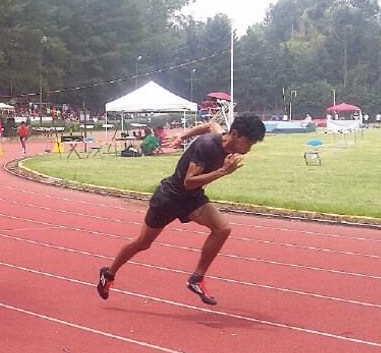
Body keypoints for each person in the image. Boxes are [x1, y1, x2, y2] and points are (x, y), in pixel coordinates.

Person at [96, 114, 267, 306]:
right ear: (235, 134)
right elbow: (188, 182)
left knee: (223, 228)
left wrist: (182, 136)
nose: (249, 148)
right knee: (142, 243)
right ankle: (108, 273)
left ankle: (197, 278)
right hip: (169, 198)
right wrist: (222, 172)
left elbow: (211, 124)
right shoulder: (207, 146)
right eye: (249, 142)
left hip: (191, 200)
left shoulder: (222, 136)